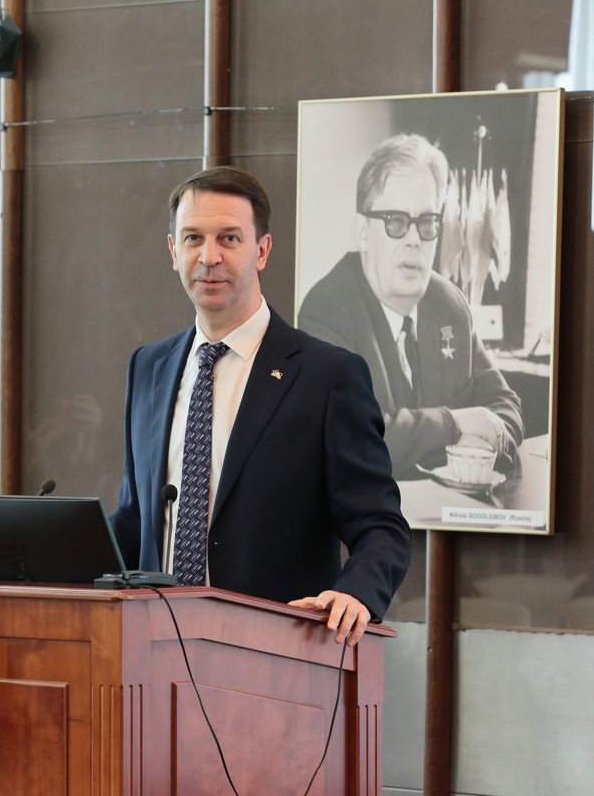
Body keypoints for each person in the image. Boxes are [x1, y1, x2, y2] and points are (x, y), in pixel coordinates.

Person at [110, 166, 411, 644]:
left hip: (274, 651)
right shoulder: (148, 367)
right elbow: (134, 521)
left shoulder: (327, 375)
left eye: (229, 238)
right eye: (193, 238)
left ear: (262, 251)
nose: (209, 257)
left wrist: (356, 594)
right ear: (173, 251)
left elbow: (380, 524)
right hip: (154, 648)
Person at [299, 133, 523, 479]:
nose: (415, 240)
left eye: (428, 222)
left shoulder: (448, 305)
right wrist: (455, 425)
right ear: (362, 231)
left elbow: (505, 407)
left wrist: (481, 441)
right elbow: (350, 436)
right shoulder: (327, 310)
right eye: (396, 221)